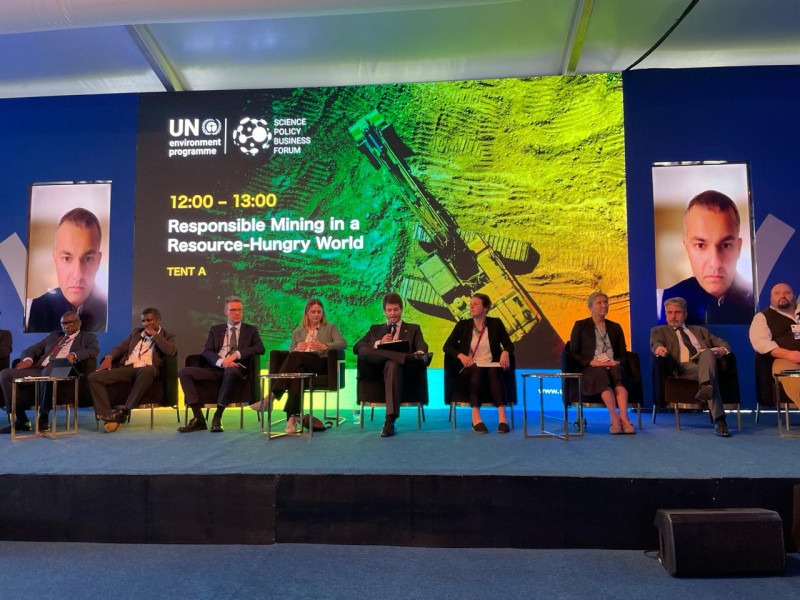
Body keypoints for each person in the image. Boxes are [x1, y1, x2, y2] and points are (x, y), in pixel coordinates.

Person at [252, 298, 346, 434]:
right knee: (296, 375)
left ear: (322, 313)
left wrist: (324, 346)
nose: (316, 315)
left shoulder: (330, 327)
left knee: (296, 358)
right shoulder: (298, 332)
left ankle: (271, 397)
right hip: (301, 365)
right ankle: (292, 419)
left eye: (319, 312)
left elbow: (342, 343)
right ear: (307, 313)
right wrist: (297, 348)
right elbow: (291, 353)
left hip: (319, 363)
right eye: (313, 312)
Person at [659, 190, 753, 325]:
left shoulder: (760, 302)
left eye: (726, 245)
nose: (715, 263)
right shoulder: (662, 303)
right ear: (687, 248)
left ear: (738, 248)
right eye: (700, 245)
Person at [0, 311, 99, 433]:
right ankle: (21, 419)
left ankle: (43, 417)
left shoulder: (88, 337)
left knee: (48, 371)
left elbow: (94, 350)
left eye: (70, 323)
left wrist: (74, 355)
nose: (66, 326)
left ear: (79, 323)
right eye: (63, 324)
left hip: (64, 369)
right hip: (41, 369)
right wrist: (28, 360)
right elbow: (32, 349)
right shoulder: (54, 336)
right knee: (6, 374)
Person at [178, 295, 264, 433]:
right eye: (233, 310)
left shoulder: (250, 330)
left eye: (239, 310)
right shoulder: (216, 330)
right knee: (184, 373)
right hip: (216, 368)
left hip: (237, 369)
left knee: (230, 370)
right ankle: (198, 418)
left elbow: (260, 348)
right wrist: (221, 362)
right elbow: (207, 351)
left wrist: (236, 355)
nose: (237, 313)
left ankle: (217, 417)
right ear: (225, 312)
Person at [650, 296, 732, 437]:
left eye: (677, 312)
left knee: (707, 353)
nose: (673, 316)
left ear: (685, 314)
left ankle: (705, 387)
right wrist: (659, 349)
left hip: (704, 365)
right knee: (711, 376)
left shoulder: (700, 331)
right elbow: (655, 343)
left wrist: (722, 350)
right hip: (681, 368)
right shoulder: (659, 330)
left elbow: (723, 343)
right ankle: (720, 420)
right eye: (669, 312)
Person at [353, 292, 431, 438]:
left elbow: (422, 345)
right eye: (389, 310)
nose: (393, 313)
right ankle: (404, 357)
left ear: (401, 309)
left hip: (400, 371)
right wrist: (379, 343)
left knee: (393, 364)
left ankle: (390, 420)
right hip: (377, 369)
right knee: (364, 350)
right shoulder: (375, 329)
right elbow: (357, 347)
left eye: (395, 309)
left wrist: (420, 351)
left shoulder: (413, 328)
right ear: (384, 311)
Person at [90, 307, 177, 433]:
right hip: (129, 368)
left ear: (159, 320)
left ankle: (125, 410)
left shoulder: (168, 335)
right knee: (94, 377)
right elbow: (120, 348)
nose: (146, 324)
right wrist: (109, 357)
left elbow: (171, 351)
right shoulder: (136, 333)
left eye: (149, 320)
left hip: (149, 369)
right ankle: (108, 416)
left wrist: (155, 335)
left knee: (147, 370)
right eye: (143, 321)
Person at [27, 207, 107, 333]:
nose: (78, 275)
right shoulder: (29, 312)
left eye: (88, 259)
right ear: (55, 260)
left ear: (98, 261)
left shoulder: (114, 312)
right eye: (67, 258)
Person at [443, 293, 513, 434]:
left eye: (475, 304)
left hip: (490, 366)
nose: (471, 306)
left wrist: (505, 352)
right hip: (469, 368)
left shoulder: (496, 324)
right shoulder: (463, 325)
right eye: (471, 304)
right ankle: (476, 418)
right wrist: (461, 356)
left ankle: (503, 419)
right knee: (477, 370)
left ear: (485, 308)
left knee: (494, 371)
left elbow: (509, 344)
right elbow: (447, 346)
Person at [569, 292, 635, 435]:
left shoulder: (615, 327)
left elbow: (623, 353)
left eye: (605, 302)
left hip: (613, 365)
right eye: (599, 303)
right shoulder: (580, 326)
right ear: (590, 307)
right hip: (592, 367)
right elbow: (573, 352)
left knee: (618, 373)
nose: (604, 305)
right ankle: (614, 418)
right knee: (601, 375)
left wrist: (616, 361)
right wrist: (591, 362)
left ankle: (624, 418)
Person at [749, 282, 800, 409]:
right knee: (795, 377)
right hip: (784, 359)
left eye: (787, 292)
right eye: (777, 293)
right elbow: (761, 344)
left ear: (794, 296)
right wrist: (789, 355)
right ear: (771, 298)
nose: (782, 296)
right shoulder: (762, 317)